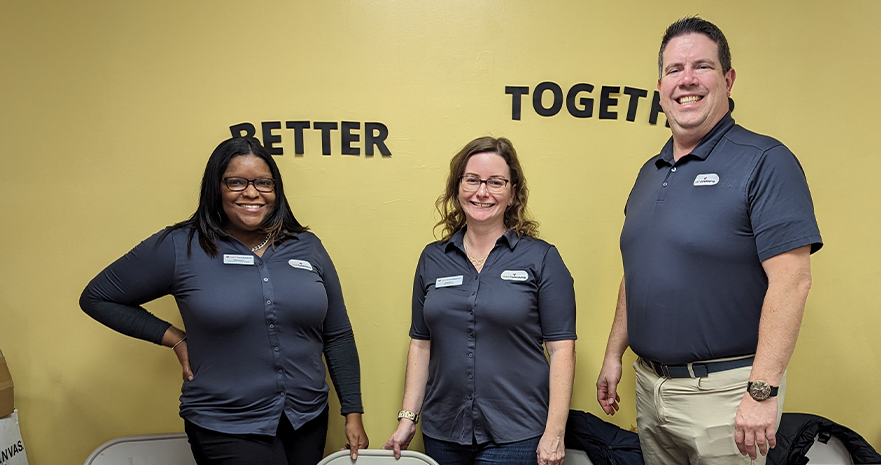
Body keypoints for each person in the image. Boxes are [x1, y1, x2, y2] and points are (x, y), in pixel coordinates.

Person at [595, 16, 822, 464]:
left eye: (702, 66)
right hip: (651, 389)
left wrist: (762, 391)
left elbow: (792, 282)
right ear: (660, 85)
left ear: (728, 79)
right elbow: (639, 272)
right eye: (675, 69)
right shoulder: (648, 172)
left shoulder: (765, 161)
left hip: (727, 396)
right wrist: (613, 353)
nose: (688, 80)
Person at [80, 136, 368, 465]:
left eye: (263, 183)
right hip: (224, 422)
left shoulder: (306, 245)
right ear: (216, 187)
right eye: (236, 182)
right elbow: (98, 297)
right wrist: (174, 338)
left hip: (306, 417)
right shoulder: (181, 246)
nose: (251, 192)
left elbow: (338, 333)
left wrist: (353, 410)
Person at [382, 137, 576, 465]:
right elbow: (421, 344)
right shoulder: (432, 258)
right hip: (443, 431)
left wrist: (554, 432)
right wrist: (407, 419)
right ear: (457, 187)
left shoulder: (541, 259)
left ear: (513, 192)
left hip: (517, 433)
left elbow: (562, 350)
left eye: (496, 182)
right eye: (472, 180)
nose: (481, 192)